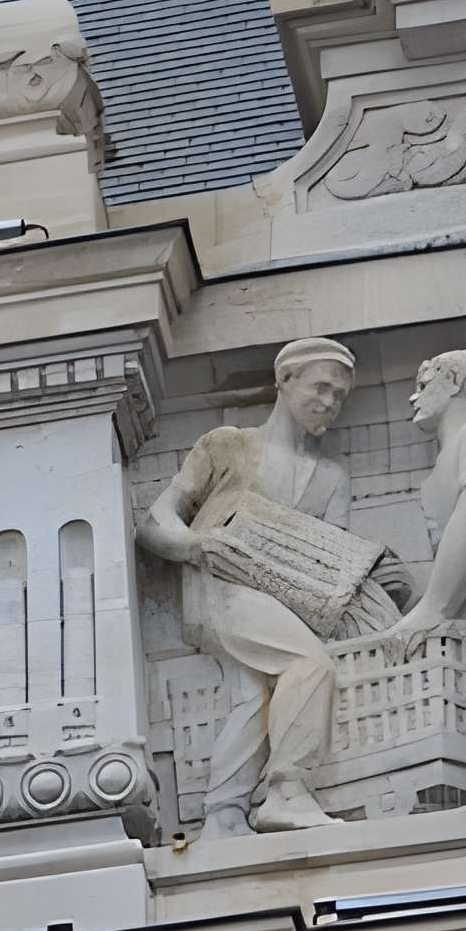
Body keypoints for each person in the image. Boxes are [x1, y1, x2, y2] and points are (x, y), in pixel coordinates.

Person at [137, 337, 368, 835]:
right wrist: (196, 546)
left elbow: (334, 556)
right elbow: (156, 521)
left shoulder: (332, 478)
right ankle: (287, 788)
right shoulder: (230, 446)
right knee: (308, 664)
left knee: (254, 696)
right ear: (284, 381)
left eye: (340, 396)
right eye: (321, 387)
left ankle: (223, 814)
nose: (329, 403)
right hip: (220, 591)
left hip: (286, 604)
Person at [380, 347, 466, 803]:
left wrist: (431, 608)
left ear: (454, 382)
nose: (414, 397)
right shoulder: (442, 467)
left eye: (424, 384)